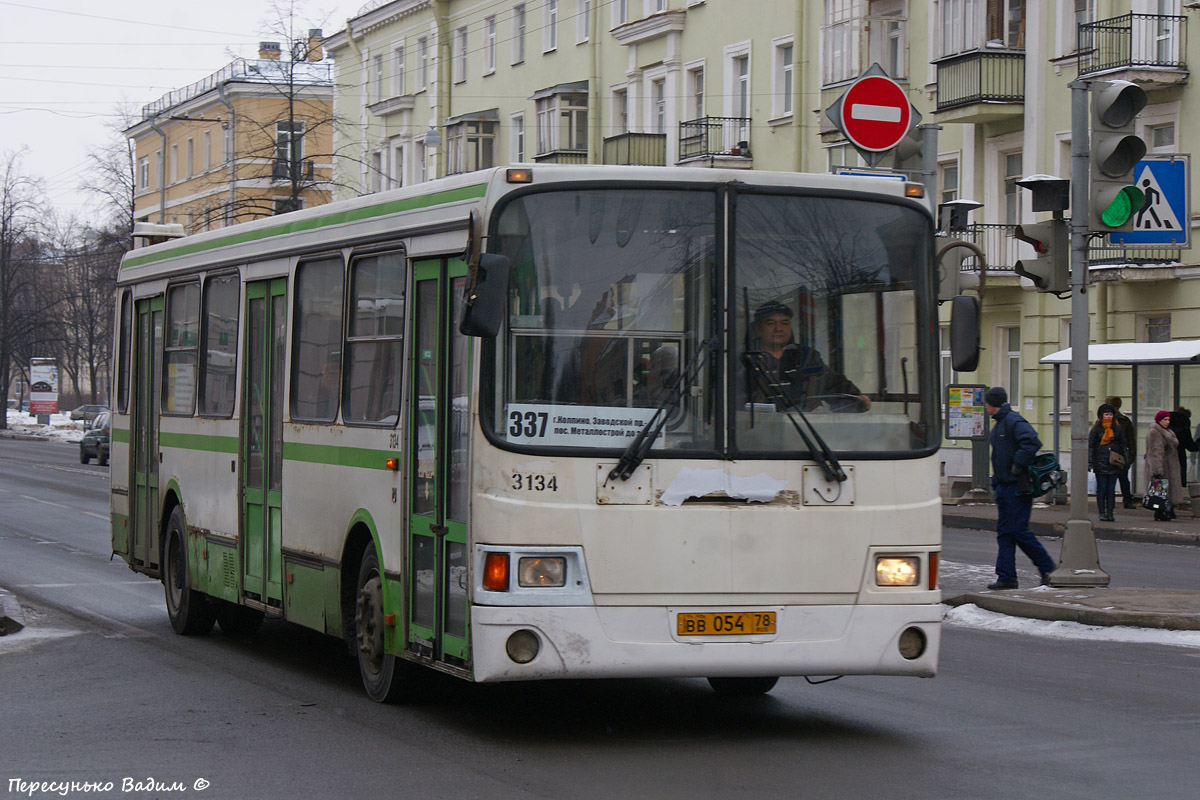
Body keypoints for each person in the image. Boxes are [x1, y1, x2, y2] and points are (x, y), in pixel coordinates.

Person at [984, 385, 1056, 590]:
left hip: (1017, 487)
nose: (986, 407)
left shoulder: (1013, 421)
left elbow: (1032, 442)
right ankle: (1006, 577)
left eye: (987, 403)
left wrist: (1017, 466)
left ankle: (1047, 567)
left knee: (1016, 530)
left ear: (994, 403)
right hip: (1005, 486)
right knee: (1005, 532)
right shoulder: (1000, 424)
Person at [745, 300, 870, 412]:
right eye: (771, 323)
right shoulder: (746, 360)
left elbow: (833, 384)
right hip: (760, 432)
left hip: (806, 432)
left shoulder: (807, 358)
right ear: (757, 328)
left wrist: (857, 398)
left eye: (784, 323)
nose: (779, 328)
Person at [1088, 403, 1129, 522]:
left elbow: (1123, 444)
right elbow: (1091, 446)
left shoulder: (1117, 428)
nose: (1109, 417)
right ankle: (1102, 513)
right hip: (1100, 463)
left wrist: (1125, 460)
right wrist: (1090, 462)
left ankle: (1110, 513)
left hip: (1114, 463)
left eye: (1110, 414)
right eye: (1106, 414)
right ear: (1101, 415)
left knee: (1111, 489)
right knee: (1102, 488)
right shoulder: (1096, 428)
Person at [1144, 410, 1183, 521]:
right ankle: (1160, 511)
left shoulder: (1168, 432)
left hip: (1169, 465)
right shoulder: (1155, 432)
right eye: (1164, 420)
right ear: (1159, 420)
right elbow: (1156, 452)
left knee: (1165, 490)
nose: (1167, 422)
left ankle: (1166, 510)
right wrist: (1157, 470)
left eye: (1168, 420)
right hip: (1162, 466)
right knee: (1160, 491)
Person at [1105, 396, 1137, 508]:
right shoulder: (1104, 421)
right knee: (1111, 481)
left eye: (1116, 407)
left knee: (1123, 479)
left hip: (1121, 455)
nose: (1115, 409)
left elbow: (1131, 439)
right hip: (1108, 454)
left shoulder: (1124, 421)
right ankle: (1110, 503)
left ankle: (1127, 501)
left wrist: (1131, 455)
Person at [1167, 406, 1197, 499]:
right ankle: (1175, 502)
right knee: (1177, 481)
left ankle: (1161, 503)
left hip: (1165, 457)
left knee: (1165, 480)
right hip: (1179, 456)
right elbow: (1190, 446)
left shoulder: (1166, 423)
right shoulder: (1184, 425)